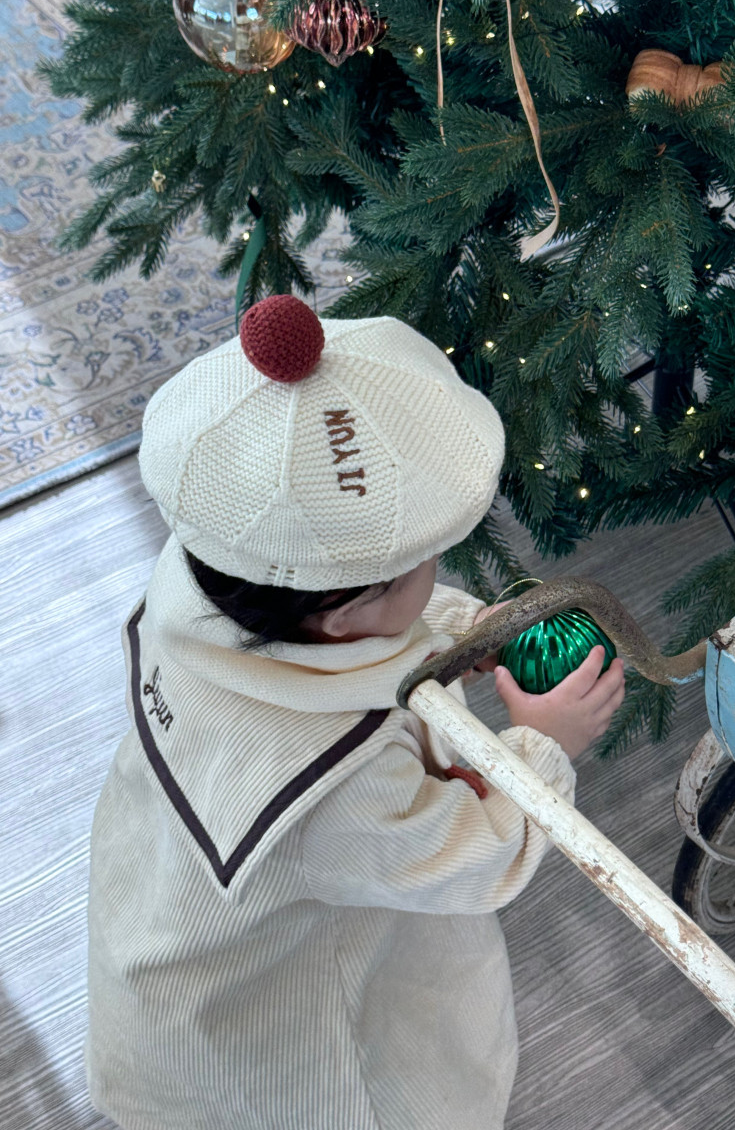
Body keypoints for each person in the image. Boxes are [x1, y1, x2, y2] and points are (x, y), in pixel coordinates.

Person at [86, 294, 626, 1130]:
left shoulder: (207, 574)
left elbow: (364, 636)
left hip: (168, 931)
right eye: (420, 565)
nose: (436, 569)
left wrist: (450, 632)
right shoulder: (337, 787)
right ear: (341, 611)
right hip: (289, 1045)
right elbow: (472, 860)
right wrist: (542, 746)